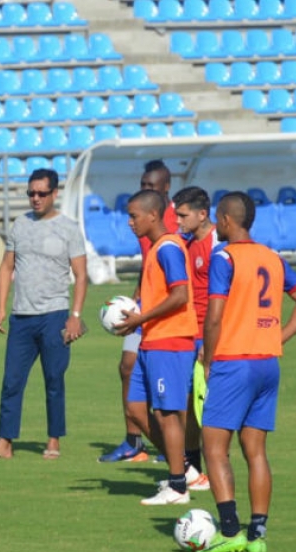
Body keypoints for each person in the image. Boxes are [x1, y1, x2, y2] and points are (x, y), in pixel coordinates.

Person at [196, 192, 296, 552]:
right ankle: (258, 536)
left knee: (214, 448)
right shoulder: (272, 257)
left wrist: (208, 358)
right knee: (256, 451)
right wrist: (277, 337)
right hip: (268, 364)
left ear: (225, 220)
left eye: (218, 219)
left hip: (235, 362)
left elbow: (215, 315)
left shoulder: (224, 257)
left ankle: (231, 530)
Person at [0, 168, 88, 461]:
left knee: (54, 380)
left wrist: (75, 315)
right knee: (11, 381)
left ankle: (53, 440)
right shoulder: (20, 225)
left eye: (41, 193)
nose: (35, 199)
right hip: (21, 317)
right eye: (31, 193)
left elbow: (81, 274)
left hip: (54, 315)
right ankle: (5, 443)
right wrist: (1, 306)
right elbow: (6, 267)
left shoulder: (69, 228)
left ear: (54, 193)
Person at [113, 190, 196, 506]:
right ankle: (183, 471)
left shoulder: (169, 248)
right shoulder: (157, 249)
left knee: (166, 413)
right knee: (136, 409)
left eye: (134, 216)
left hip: (170, 340)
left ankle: (178, 486)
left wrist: (141, 317)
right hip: (152, 339)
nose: (130, 222)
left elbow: (180, 296)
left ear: (153, 215)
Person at [99, 160, 176, 463]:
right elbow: (149, 264)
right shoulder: (143, 219)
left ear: (165, 187)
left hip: (168, 311)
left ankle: (176, 446)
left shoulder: (174, 220)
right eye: (143, 184)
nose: (145, 189)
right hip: (144, 307)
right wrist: (133, 301)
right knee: (126, 367)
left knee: (168, 380)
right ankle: (134, 440)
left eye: (151, 186)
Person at [169, 186, 220, 492]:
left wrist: (209, 343)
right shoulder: (186, 244)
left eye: (183, 215)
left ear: (202, 215)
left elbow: (222, 298)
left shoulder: (217, 245)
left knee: (207, 408)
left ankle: (216, 467)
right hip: (187, 336)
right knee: (185, 406)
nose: (178, 220)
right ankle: (194, 469)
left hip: (207, 339)